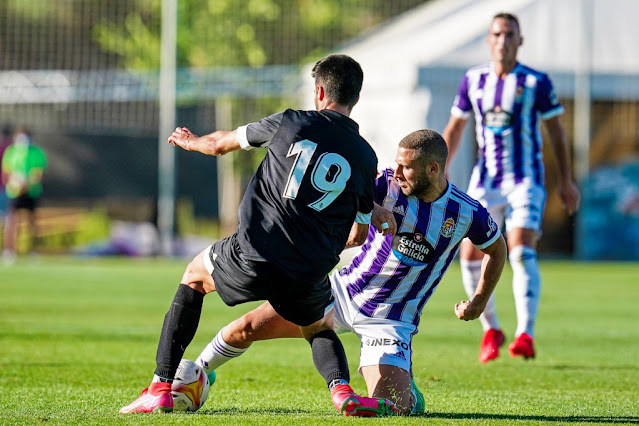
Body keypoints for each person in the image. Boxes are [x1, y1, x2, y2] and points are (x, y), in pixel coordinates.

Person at [120, 54, 398, 417]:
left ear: (318, 91)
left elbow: (220, 144)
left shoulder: (290, 122)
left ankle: (159, 387)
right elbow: (358, 236)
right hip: (309, 267)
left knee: (193, 278)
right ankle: (343, 393)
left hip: (255, 251)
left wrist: (192, 142)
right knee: (318, 327)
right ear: (355, 98)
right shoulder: (365, 157)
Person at [191, 129, 507, 415]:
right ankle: (195, 375)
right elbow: (345, 192)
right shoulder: (385, 183)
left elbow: (496, 248)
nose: (396, 172)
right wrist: (369, 207)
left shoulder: (466, 212)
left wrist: (479, 301)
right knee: (246, 327)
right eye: (396, 164)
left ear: (433, 170)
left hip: (391, 320)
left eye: (406, 167)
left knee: (393, 407)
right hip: (342, 292)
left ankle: (408, 391)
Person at [441, 12, 580, 363]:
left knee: (519, 250)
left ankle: (525, 334)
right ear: (489, 39)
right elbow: (455, 129)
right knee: (470, 254)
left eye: (510, 35)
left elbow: (557, 132)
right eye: (497, 34)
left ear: (520, 41)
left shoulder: (536, 82)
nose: (503, 40)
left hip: (524, 180)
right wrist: (439, 171)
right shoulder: (473, 80)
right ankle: (492, 329)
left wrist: (565, 179)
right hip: (485, 181)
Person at [2, 127, 47, 263]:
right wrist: (15, 183)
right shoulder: (11, 152)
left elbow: (38, 174)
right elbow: (6, 173)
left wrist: (27, 184)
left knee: (32, 222)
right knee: (11, 221)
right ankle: (9, 251)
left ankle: (33, 251)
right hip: (14, 192)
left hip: (31, 192)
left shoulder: (37, 153)